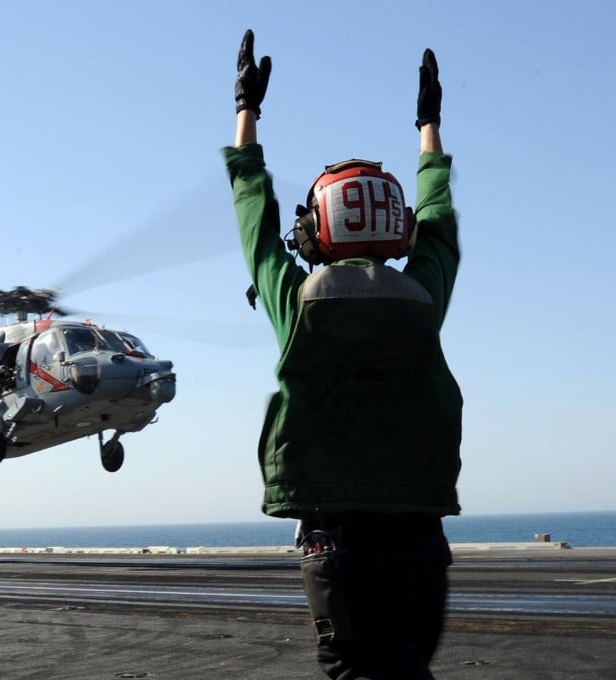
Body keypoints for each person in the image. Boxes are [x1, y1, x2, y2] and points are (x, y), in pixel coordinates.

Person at [222, 30, 462, 680]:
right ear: (395, 226)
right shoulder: (421, 295)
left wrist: (246, 109)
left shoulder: (297, 301)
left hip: (339, 539)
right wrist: (429, 126)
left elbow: (252, 208)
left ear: (318, 230)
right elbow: (439, 216)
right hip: (421, 538)